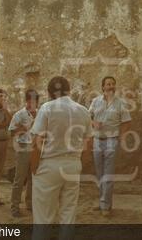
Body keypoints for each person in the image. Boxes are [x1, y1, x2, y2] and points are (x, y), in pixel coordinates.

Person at [31, 76, 92, 226]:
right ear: (68, 90)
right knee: (68, 214)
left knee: (43, 217)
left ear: (50, 92)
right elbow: (89, 144)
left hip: (49, 165)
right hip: (72, 164)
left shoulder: (47, 107)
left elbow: (37, 142)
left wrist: (34, 168)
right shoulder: (83, 110)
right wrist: (79, 163)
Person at [88, 76, 131, 216]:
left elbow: (126, 122)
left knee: (108, 174)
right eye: (108, 84)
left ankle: (105, 206)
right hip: (97, 139)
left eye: (113, 84)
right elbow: (88, 117)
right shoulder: (95, 102)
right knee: (100, 173)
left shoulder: (121, 103)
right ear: (103, 87)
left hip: (112, 140)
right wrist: (94, 124)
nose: (110, 86)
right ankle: (103, 202)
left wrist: (121, 137)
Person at [8, 89, 39, 217]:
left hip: (35, 148)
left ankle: (30, 204)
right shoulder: (19, 115)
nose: (33, 103)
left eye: (35, 101)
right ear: (27, 101)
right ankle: (14, 207)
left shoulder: (39, 114)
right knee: (19, 179)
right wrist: (23, 128)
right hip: (23, 147)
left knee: (33, 178)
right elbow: (11, 132)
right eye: (31, 100)